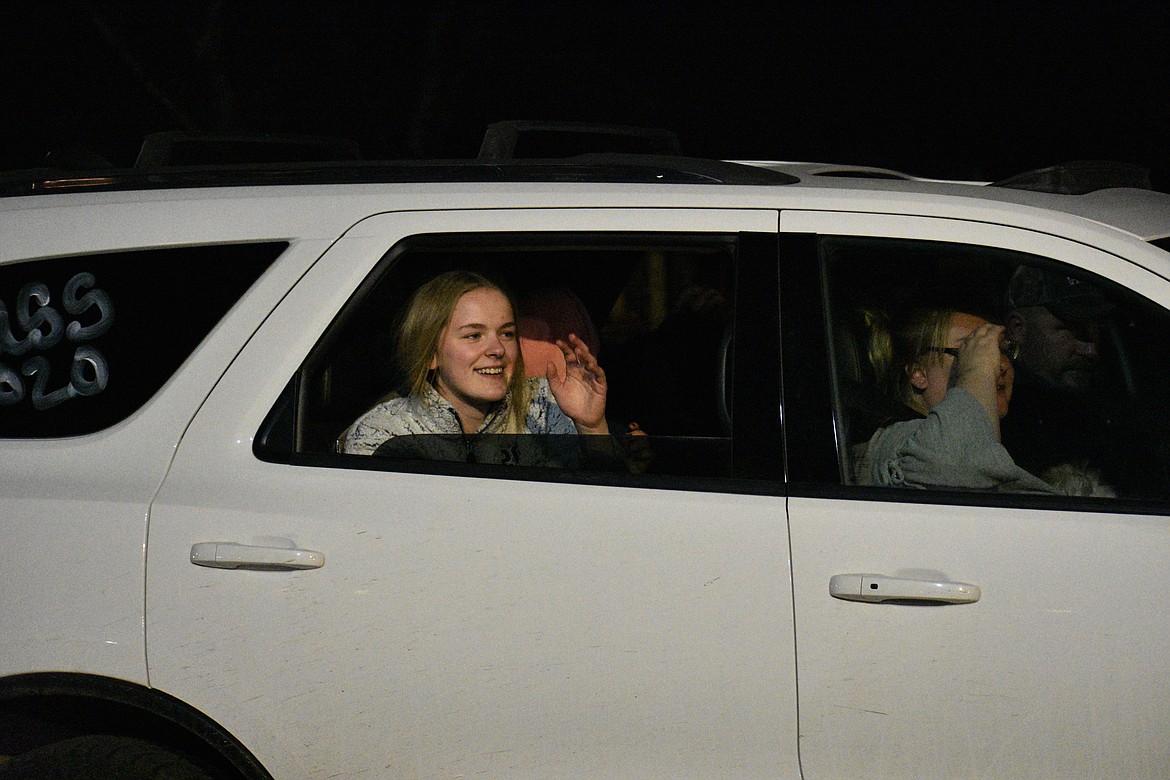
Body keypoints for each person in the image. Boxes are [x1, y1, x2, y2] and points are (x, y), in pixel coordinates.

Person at [341, 270, 609, 463]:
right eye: (473, 335)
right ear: (430, 355)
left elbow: (598, 510)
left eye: (507, 333)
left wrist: (592, 428)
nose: (498, 350)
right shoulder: (386, 431)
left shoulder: (542, 406)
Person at [859, 308, 1058, 493]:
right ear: (919, 373)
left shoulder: (1026, 437)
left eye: (1003, 350)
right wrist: (976, 370)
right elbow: (958, 467)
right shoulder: (895, 442)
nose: (999, 365)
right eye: (972, 351)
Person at [1002, 265, 1160, 497]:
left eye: (1096, 330)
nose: (1091, 349)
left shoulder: (1107, 407)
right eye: (1071, 329)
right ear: (1017, 328)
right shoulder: (997, 412)